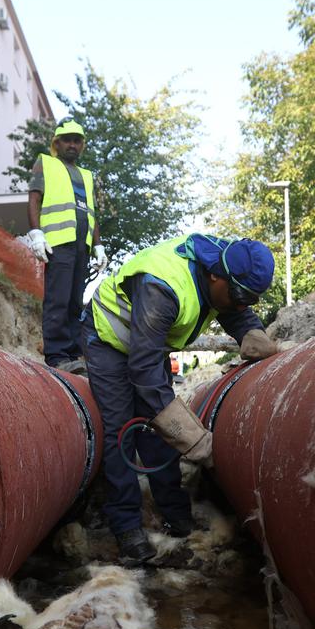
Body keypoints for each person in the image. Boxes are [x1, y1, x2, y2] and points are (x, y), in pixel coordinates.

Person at [84, 233, 282, 563]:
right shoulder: (163, 286)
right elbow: (146, 375)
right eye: (239, 296)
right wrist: (197, 442)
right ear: (215, 275)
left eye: (250, 299)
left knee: (157, 433)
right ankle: (126, 526)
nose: (241, 304)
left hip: (149, 343)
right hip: (109, 339)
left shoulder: (226, 272)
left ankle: (176, 516)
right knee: (122, 429)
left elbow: (236, 311)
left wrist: (256, 337)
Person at [19, 119, 106, 373]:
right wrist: (36, 233)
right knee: (58, 299)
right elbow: (34, 198)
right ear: (56, 143)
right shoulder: (45, 163)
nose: (72, 144)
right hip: (58, 243)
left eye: (77, 140)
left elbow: (91, 213)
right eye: (67, 140)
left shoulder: (87, 176)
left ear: (82, 145)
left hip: (81, 247)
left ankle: (73, 353)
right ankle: (57, 355)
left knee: (76, 302)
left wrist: (98, 246)